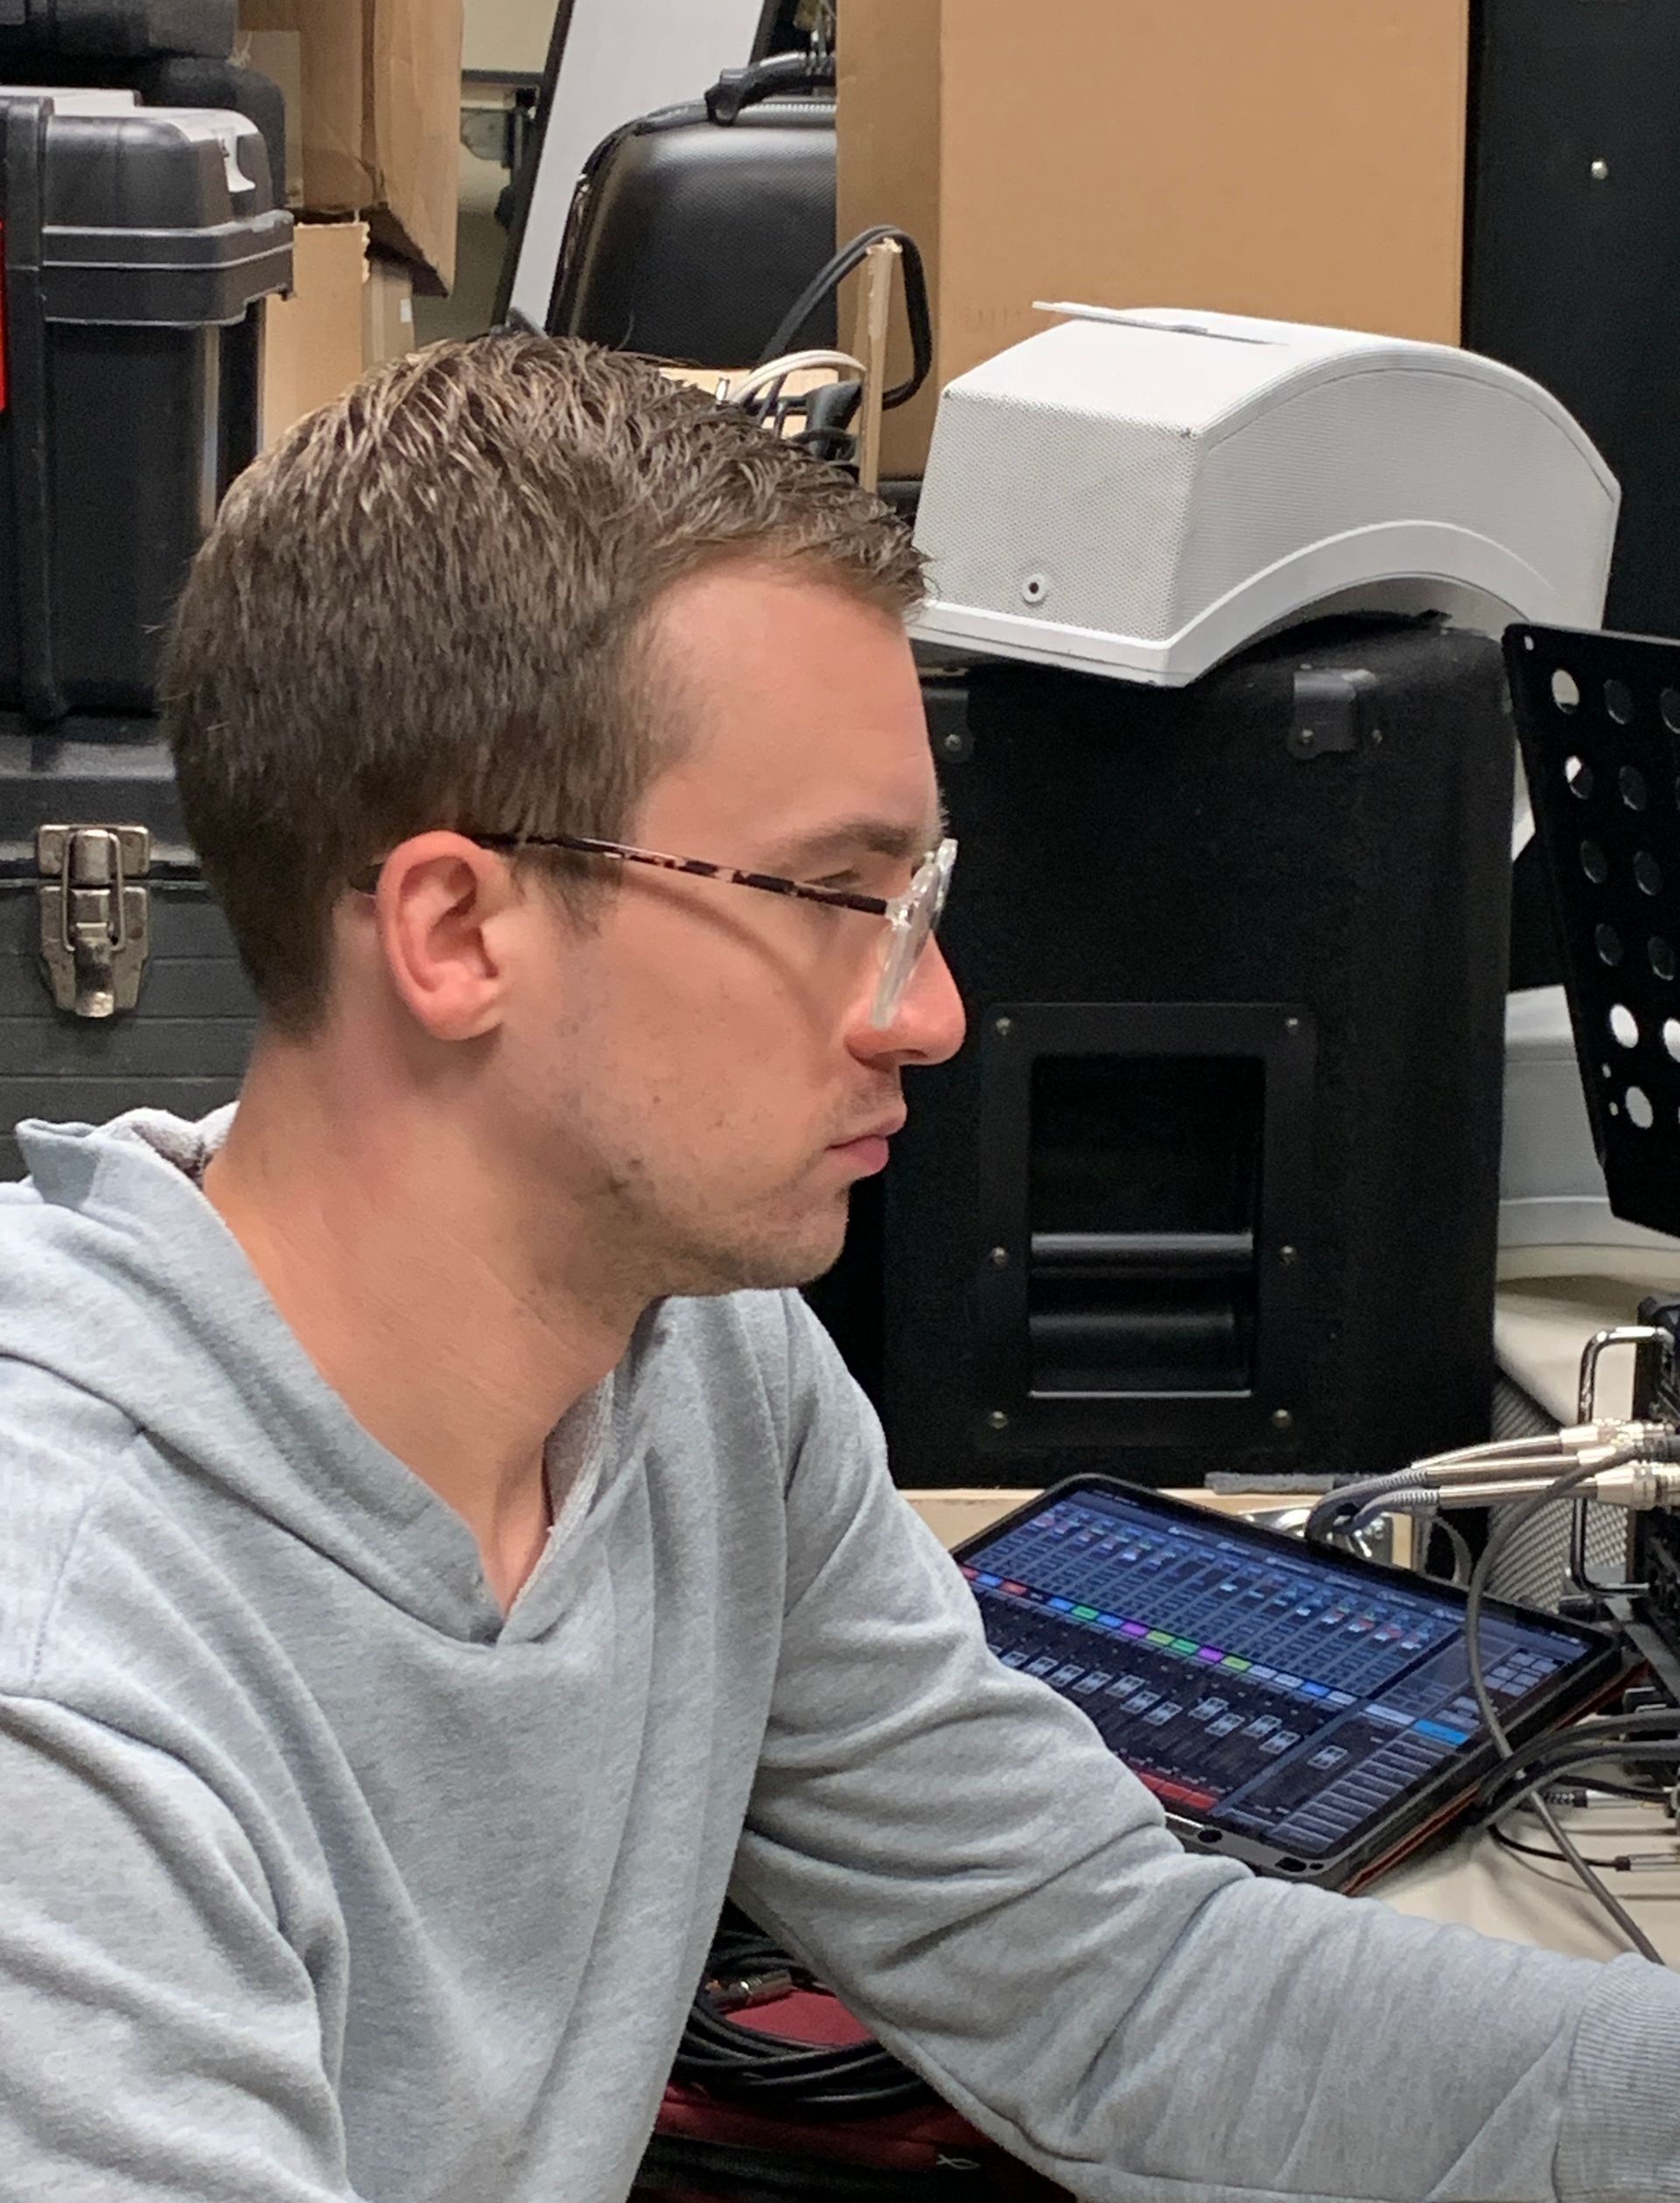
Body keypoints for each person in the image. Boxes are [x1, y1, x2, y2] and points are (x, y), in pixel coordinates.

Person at [0, 334, 1675, 2203]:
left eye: (924, 901)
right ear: (458, 928)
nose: (937, 1012)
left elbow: (1118, 1992)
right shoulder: (67, 1681)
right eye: (838, 898)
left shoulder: (701, 1370)